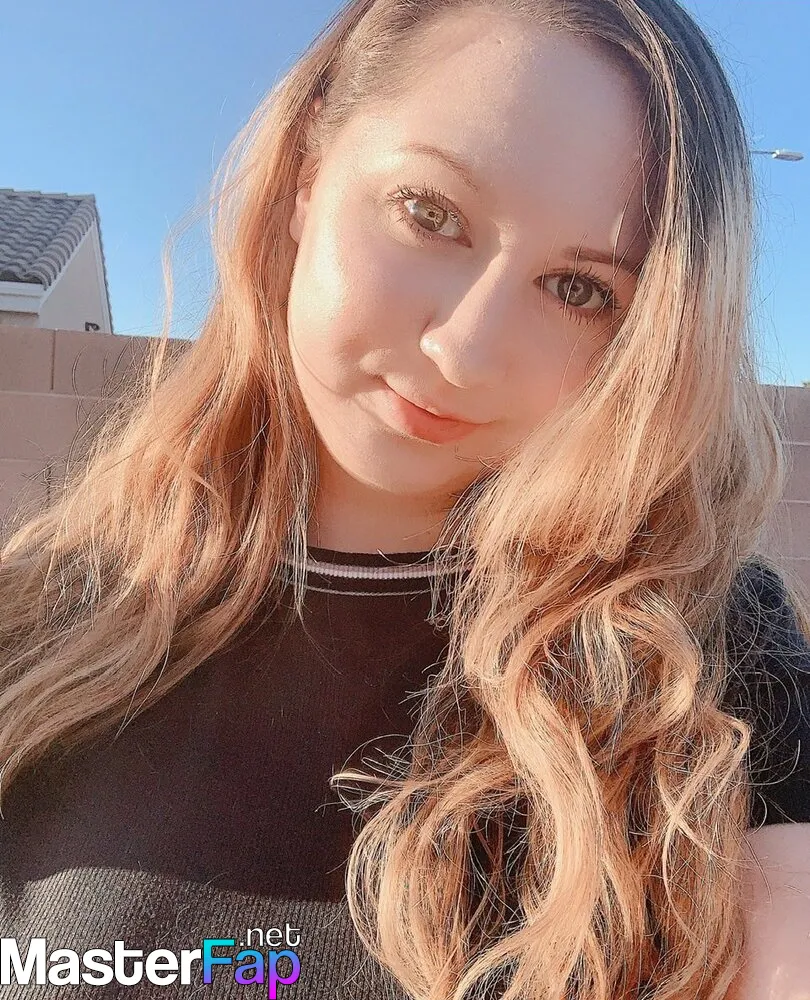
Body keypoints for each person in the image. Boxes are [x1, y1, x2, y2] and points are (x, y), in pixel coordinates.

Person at [1, 0, 809, 997]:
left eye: (580, 289)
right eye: (430, 213)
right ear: (307, 175)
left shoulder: (703, 668)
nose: (464, 349)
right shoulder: (38, 621)